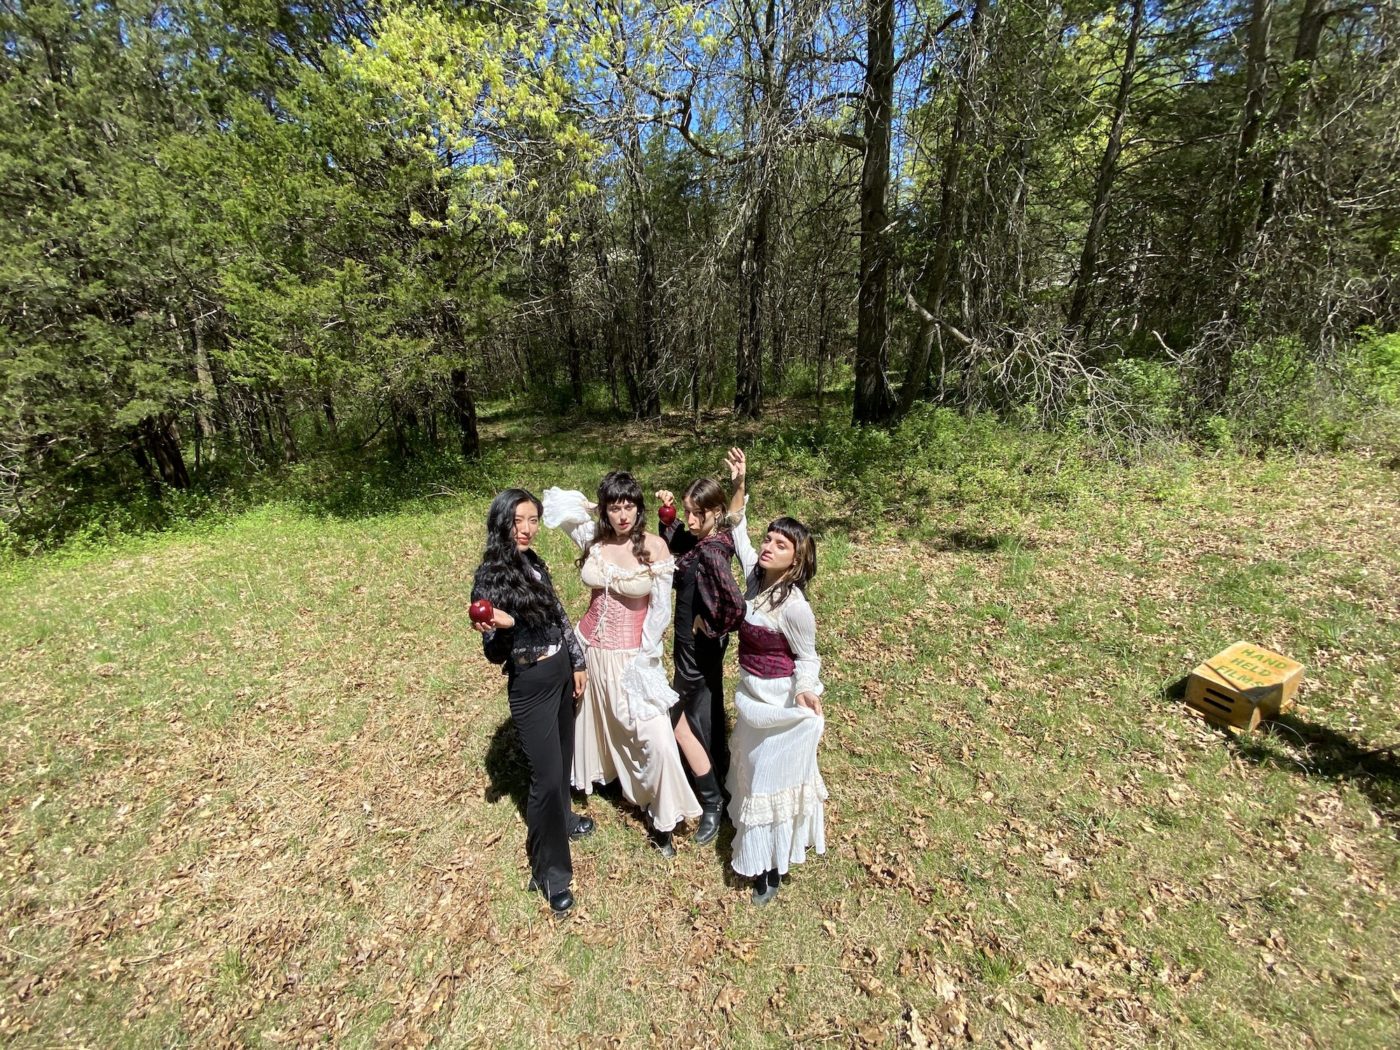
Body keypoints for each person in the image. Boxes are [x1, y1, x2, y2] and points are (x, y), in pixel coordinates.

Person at [543, 471, 701, 856]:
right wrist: (590, 506)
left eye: (629, 506)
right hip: (588, 650)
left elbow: (660, 611)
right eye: (614, 508)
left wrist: (645, 658)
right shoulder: (594, 540)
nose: (623, 515)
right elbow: (557, 504)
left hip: (632, 654)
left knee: (655, 737)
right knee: (601, 721)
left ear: (639, 508)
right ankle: (611, 777)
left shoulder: (654, 547)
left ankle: (663, 819)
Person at [471, 489, 594, 917]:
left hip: (559, 671)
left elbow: (559, 617)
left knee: (563, 758)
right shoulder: (490, 578)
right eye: (518, 521)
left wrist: (576, 661)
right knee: (545, 777)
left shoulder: (535, 563)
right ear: (501, 523)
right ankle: (550, 873)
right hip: (531, 684)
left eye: (533, 520)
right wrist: (504, 626)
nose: (526, 529)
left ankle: (564, 819)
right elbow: (494, 654)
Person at [724, 450, 827, 904]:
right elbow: (737, 529)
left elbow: (808, 657)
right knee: (748, 767)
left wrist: (804, 690)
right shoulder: (754, 578)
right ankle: (751, 836)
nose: (768, 546)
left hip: (780, 703)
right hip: (750, 697)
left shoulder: (795, 607)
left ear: (796, 560)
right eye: (769, 539)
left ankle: (770, 866)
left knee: (771, 779)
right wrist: (739, 484)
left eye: (780, 545)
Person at [655, 448, 748, 846]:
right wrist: (669, 518)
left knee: (682, 720)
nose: (690, 521)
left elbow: (736, 606)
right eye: (688, 513)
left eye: (697, 514)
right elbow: (685, 542)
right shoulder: (707, 538)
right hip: (692, 650)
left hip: (696, 653)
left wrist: (710, 627)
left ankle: (710, 801)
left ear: (714, 513)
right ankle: (714, 782)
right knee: (703, 714)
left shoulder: (711, 552)